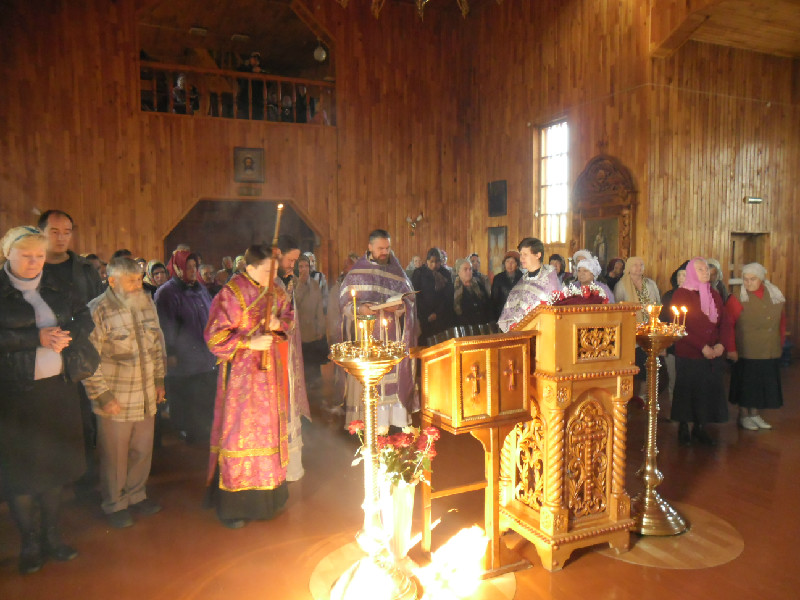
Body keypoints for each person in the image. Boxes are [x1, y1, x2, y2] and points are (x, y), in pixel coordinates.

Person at [0, 226, 98, 574]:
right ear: (7, 253)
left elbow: (83, 316)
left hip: (58, 390)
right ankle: (29, 542)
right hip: (14, 395)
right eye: (25, 255)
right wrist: (35, 338)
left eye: (39, 255)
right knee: (21, 473)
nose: (33, 262)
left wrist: (66, 334)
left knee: (55, 468)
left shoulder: (57, 285)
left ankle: (52, 535)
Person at [204, 244, 294, 528]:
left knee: (268, 432)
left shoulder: (276, 291)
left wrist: (278, 324)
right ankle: (235, 506)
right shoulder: (231, 294)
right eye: (268, 270)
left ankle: (268, 499)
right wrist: (248, 342)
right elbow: (214, 337)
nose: (273, 276)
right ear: (250, 267)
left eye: (275, 270)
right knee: (239, 433)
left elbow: (288, 319)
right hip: (241, 379)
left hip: (270, 378)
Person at [82, 257, 166, 529]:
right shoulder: (98, 310)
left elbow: (156, 346)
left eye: (139, 280)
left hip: (145, 394)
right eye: (131, 281)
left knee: (142, 450)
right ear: (112, 281)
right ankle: (115, 503)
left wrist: (159, 380)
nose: (138, 286)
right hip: (115, 397)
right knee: (114, 456)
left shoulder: (146, 303)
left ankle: (136, 495)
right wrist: (103, 396)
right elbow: (88, 361)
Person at [38, 210, 104, 495]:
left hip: (80, 354)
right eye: (54, 231)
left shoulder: (85, 269)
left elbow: (97, 309)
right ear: (41, 233)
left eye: (67, 231)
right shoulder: (32, 265)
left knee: (84, 421)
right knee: (48, 424)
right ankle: (50, 485)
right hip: (41, 355)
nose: (61, 237)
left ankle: (85, 482)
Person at [340, 229, 419, 428]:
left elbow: (410, 300)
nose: (385, 252)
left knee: (392, 377)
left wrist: (399, 307)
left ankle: (394, 422)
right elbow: (344, 304)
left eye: (387, 248)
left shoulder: (397, 271)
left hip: (392, 336)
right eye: (380, 248)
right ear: (370, 247)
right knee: (371, 380)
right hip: (366, 336)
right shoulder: (357, 273)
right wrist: (361, 309)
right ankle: (370, 425)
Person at [154, 249, 217, 444]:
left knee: (204, 396)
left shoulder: (200, 289)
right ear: (178, 268)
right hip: (183, 358)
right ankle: (188, 432)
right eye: (188, 267)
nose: (192, 271)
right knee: (188, 398)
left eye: (194, 267)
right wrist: (171, 352)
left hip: (205, 355)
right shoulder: (166, 293)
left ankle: (203, 430)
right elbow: (165, 326)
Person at [669, 257, 727, 446]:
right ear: (692, 272)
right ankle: (684, 427)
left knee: (706, 391)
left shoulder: (714, 294)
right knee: (687, 390)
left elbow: (724, 322)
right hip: (690, 353)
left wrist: (721, 344)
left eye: (706, 269)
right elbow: (680, 327)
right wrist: (702, 347)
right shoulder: (682, 294)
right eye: (701, 269)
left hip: (713, 353)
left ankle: (700, 427)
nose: (706, 272)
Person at [722, 263, 785, 431]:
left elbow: (781, 322)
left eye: (753, 279)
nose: (748, 283)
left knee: (761, 384)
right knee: (746, 385)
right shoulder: (736, 298)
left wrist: (780, 343)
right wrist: (731, 349)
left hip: (768, 349)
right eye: (745, 279)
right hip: (746, 350)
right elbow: (728, 325)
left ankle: (755, 414)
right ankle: (744, 415)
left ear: (761, 279)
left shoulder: (774, 294)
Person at [275, 234, 310, 481]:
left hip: (288, 355)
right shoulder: (268, 283)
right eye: (290, 260)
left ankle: (291, 466)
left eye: (296, 261)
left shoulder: (285, 281)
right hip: (275, 356)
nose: (292, 265)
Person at [498, 238, 560, 332]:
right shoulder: (522, 280)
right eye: (521, 254)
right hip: (518, 333)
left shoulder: (549, 280)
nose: (521, 258)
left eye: (525, 254)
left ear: (538, 255)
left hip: (541, 332)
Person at [295, 255, 326, 391]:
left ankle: (316, 384)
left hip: (313, 328)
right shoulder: (294, 283)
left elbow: (319, 307)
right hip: (300, 329)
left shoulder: (314, 284)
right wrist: (300, 285)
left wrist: (321, 327)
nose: (304, 269)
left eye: (306, 266)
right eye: (301, 267)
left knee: (314, 358)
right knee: (303, 359)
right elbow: (294, 304)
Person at [659, 261, 689, 405]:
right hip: (672, 345)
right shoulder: (669, 296)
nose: (681, 278)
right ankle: (674, 408)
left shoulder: (697, 296)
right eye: (679, 275)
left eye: (684, 275)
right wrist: (663, 345)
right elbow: (663, 321)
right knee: (674, 378)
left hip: (691, 346)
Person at [411, 247, 455, 345]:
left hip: (442, 316)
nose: (434, 265)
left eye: (437, 262)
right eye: (431, 262)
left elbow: (448, 296)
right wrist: (427, 314)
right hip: (424, 317)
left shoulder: (445, 273)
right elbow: (416, 296)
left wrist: (437, 313)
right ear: (427, 261)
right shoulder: (419, 273)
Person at [613, 256, 661, 322]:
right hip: (630, 323)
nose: (639, 268)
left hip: (651, 322)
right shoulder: (621, 285)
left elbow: (658, 303)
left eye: (641, 265)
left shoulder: (651, 284)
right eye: (635, 265)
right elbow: (617, 307)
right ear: (629, 267)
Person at [453, 258, 492, 328]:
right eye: (465, 269)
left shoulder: (479, 285)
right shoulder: (453, 288)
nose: (469, 272)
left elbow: (487, 304)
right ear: (458, 272)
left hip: (481, 325)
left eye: (470, 269)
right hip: (463, 327)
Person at [490, 250, 523, 321]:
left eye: (512, 262)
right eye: (507, 262)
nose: (509, 265)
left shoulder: (522, 278)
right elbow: (494, 300)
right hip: (502, 315)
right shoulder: (498, 278)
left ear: (517, 264)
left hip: (518, 315)